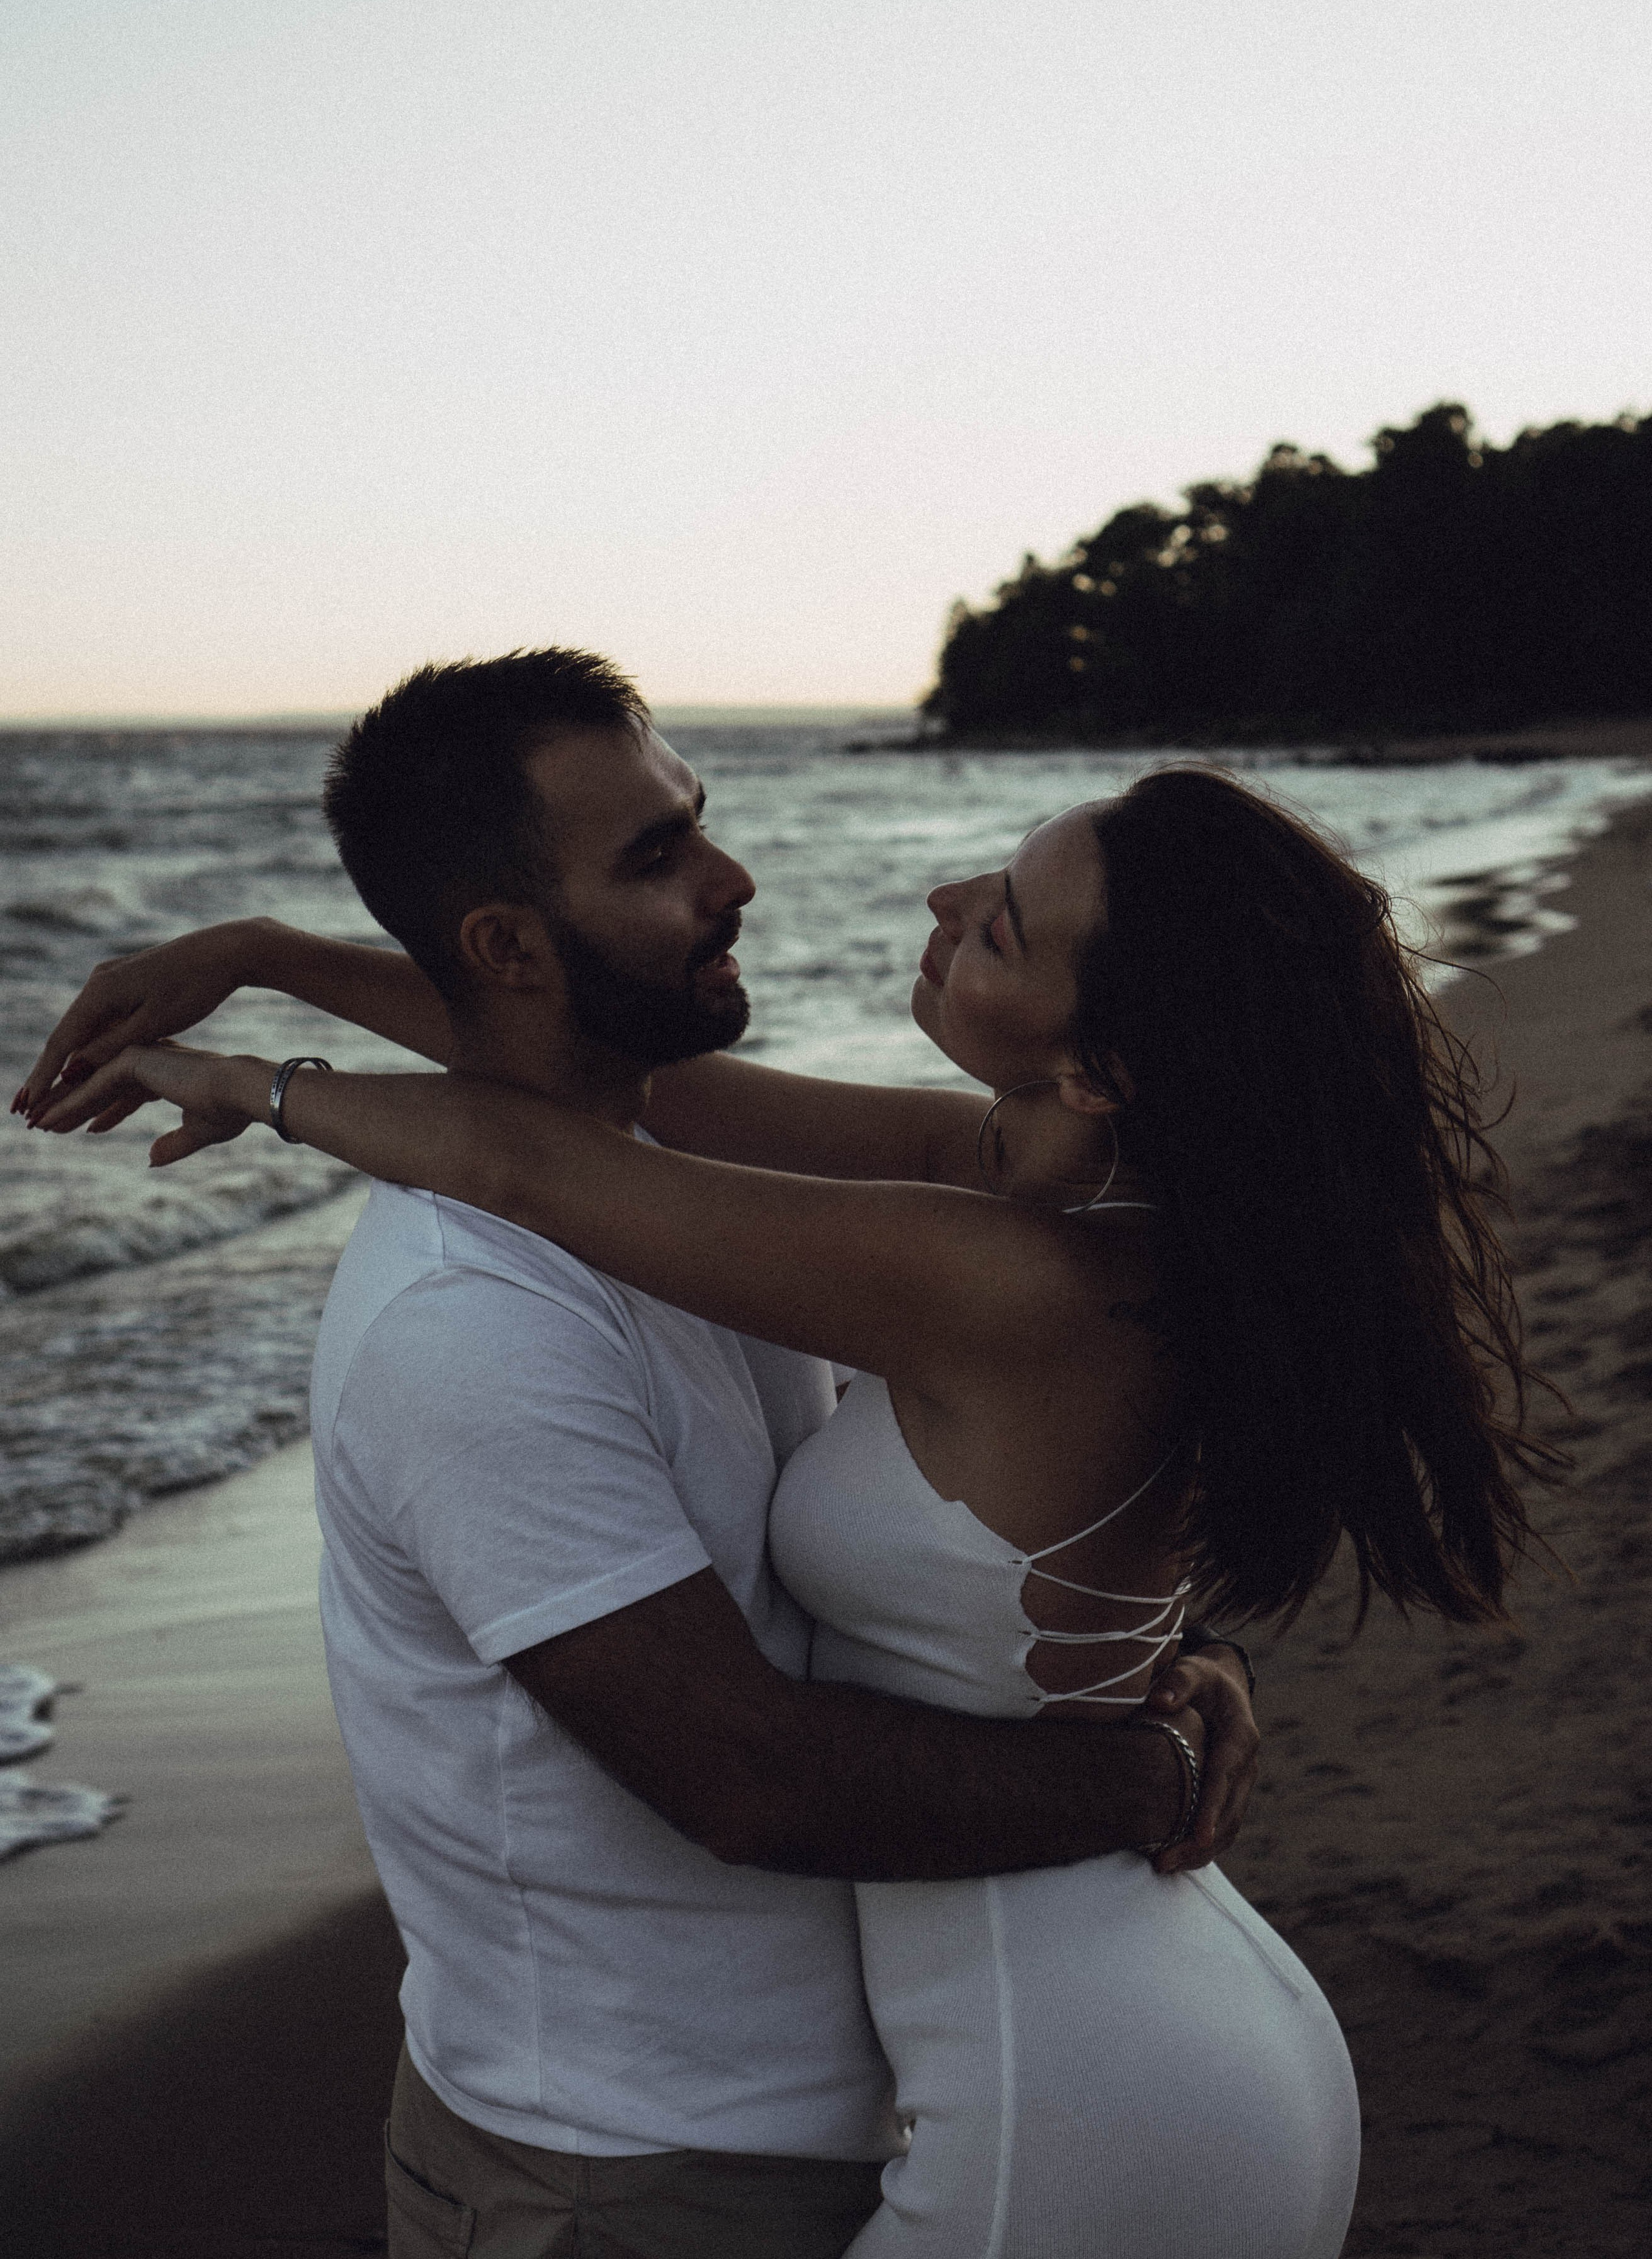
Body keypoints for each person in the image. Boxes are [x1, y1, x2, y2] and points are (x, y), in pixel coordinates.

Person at [17, 651, 1274, 2259]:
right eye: (658, 855)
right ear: (508, 945)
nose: (735, 876)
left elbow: (545, 1104)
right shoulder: (476, 1313)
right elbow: (744, 1777)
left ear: (1097, 1069)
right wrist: (1143, 1750)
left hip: (936, 2088)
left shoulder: (836, 1217)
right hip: (636, 2163)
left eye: (697, 822)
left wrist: (269, 1070)